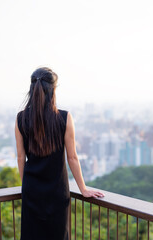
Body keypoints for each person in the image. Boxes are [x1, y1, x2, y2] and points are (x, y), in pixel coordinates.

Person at [15, 67, 105, 240]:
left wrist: (25, 187)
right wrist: (83, 189)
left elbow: (21, 158)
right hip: (57, 192)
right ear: (53, 89)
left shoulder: (21, 118)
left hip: (31, 192)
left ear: (32, 89)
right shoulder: (64, 117)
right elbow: (72, 157)